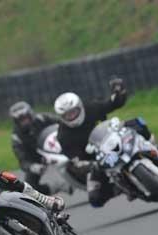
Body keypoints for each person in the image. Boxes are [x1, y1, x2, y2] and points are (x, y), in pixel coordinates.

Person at [53, 77, 129, 207]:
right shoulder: (63, 135)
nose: (71, 116)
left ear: (80, 107)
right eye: (67, 115)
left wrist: (119, 92)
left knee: (137, 124)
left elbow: (113, 103)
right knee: (95, 199)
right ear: (61, 117)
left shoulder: (91, 108)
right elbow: (75, 160)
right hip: (97, 162)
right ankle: (122, 188)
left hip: (114, 143)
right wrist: (88, 165)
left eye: (73, 112)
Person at [9, 101, 61, 194]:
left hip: (59, 148)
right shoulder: (16, 137)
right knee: (28, 189)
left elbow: (63, 124)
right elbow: (22, 160)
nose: (24, 122)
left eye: (25, 118)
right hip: (38, 159)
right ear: (16, 121)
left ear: (30, 114)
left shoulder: (43, 118)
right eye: (21, 120)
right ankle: (58, 186)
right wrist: (32, 166)